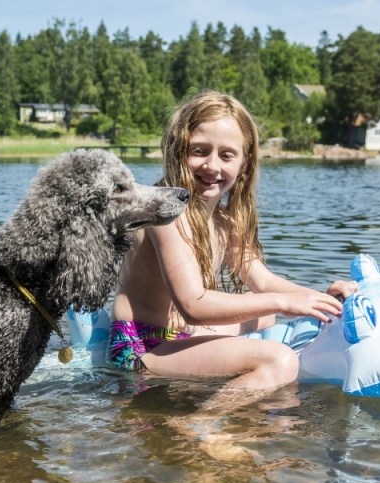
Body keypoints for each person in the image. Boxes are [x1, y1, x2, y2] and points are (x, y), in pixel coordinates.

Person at [108, 90, 357, 409]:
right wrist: (284, 302)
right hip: (140, 347)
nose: (212, 165)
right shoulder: (165, 213)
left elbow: (263, 283)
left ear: (245, 161)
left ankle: (239, 409)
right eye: (199, 151)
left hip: (180, 336)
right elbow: (193, 305)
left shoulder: (224, 223)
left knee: (266, 316)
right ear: (177, 150)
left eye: (227, 155)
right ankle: (203, 428)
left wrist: (320, 300)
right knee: (278, 362)